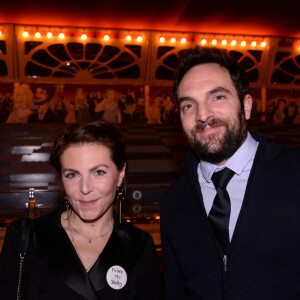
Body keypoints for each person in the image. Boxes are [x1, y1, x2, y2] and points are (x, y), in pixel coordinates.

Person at [160, 47, 300, 299]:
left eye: (218, 97)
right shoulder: (174, 200)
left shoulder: (295, 172)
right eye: (188, 105)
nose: (202, 115)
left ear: (246, 106)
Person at [0, 121, 163, 300]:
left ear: (120, 174)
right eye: (72, 175)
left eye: (99, 172)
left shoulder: (139, 246)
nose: (85, 188)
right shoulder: (25, 237)